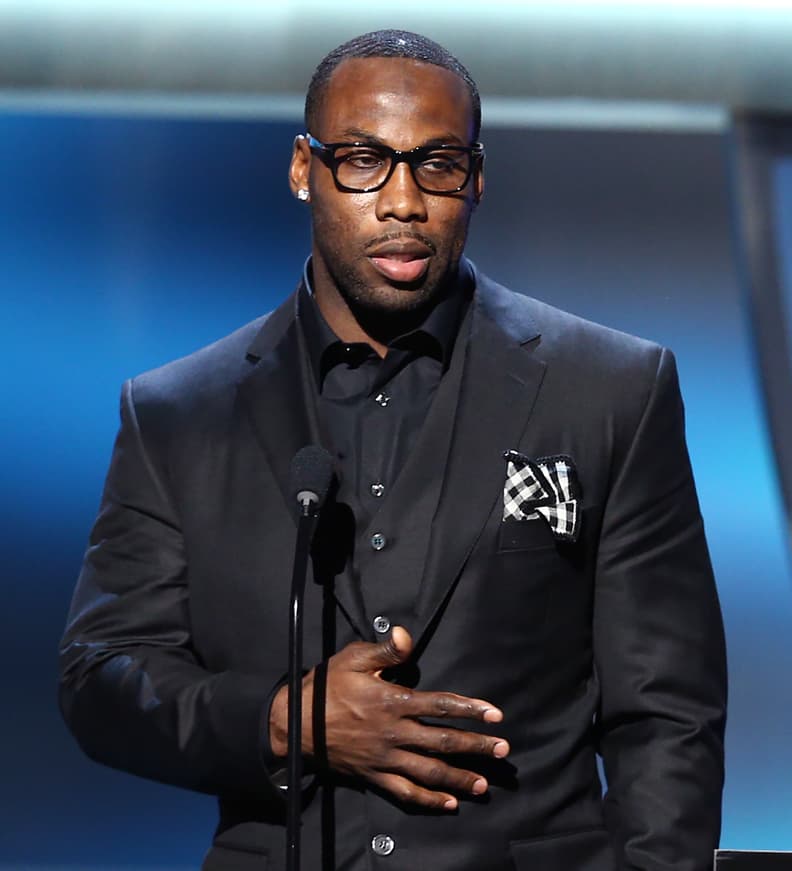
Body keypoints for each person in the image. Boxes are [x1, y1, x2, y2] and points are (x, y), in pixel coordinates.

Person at [59, 30, 726, 871]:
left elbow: (668, 713)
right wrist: (283, 721)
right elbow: (103, 678)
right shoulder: (178, 413)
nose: (403, 200)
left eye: (437, 164)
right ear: (305, 168)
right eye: (364, 161)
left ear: (476, 177)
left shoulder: (611, 389)